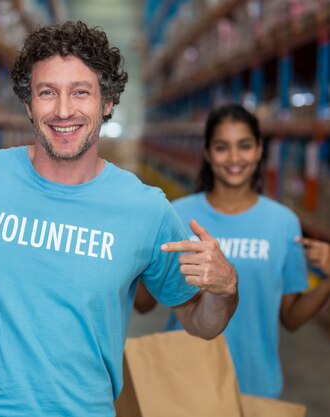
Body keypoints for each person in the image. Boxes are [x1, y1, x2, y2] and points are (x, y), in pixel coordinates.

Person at [0, 22, 238, 417]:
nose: (63, 110)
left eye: (80, 92)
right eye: (47, 93)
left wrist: (225, 290)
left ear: (107, 102)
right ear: (28, 104)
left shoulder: (146, 209)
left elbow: (200, 323)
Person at [134, 103, 330, 399]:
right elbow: (144, 304)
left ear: (260, 150)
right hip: (184, 381)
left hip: (254, 385)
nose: (235, 157)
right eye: (222, 147)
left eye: (245, 146)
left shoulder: (283, 223)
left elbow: (290, 317)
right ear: (208, 153)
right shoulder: (178, 214)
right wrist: (130, 254)